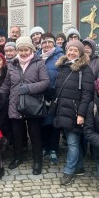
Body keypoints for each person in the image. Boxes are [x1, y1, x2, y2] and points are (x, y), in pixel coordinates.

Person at [0, 36, 50, 174]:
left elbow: (45, 82)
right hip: (15, 104)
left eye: (25, 49)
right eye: (20, 50)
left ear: (31, 49)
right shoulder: (12, 64)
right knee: (17, 134)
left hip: (32, 104)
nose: (23, 53)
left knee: (35, 134)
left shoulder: (39, 63)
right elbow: (7, 84)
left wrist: (29, 88)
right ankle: (18, 158)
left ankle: (37, 161)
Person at [54, 40, 94, 185]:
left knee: (72, 143)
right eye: (69, 50)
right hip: (63, 111)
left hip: (76, 112)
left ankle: (69, 171)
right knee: (74, 142)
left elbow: (87, 94)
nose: (71, 53)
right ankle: (79, 167)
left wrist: (81, 114)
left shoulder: (85, 69)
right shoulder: (63, 67)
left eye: (75, 51)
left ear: (81, 53)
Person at [37, 33, 64, 165]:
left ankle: (53, 149)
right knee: (41, 122)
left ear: (54, 43)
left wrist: (55, 90)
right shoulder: (37, 56)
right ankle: (44, 147)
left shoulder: (60, 56)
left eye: (49, 42)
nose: (47, 44)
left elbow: (63, 76)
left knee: (54, 124)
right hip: (39, 95)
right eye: (44, 42)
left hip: (54, 95)